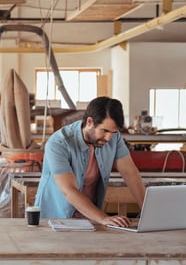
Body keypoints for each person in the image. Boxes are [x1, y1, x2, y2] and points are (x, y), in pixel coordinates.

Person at [34, 96, 145, 227]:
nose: (109, 138)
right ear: (89, 122)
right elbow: (68, 190)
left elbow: (130, 173)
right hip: (55, 219)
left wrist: (149, 213)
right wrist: (104, 218)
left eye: (114, 132)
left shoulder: (114, 138)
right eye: (105, 131)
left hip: (90, 218)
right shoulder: (58, 143)